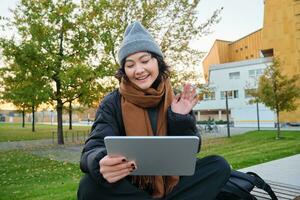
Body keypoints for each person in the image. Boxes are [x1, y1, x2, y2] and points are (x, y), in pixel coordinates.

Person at [77, 21, 230, 200]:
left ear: (157, 61)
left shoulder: (175, 99)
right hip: (130, 183)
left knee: (219, 166)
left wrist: (180, 118)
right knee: (88, 186)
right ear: (124, 70)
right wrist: (99, 161)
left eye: (144, 60)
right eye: (130, 64)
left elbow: (192, 150)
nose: (139, 70)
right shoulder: (111, 102)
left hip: (173, 181)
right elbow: (92, 147)